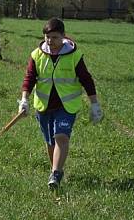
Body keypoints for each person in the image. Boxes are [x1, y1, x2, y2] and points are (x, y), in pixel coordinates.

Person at [18, 17, 103, 189]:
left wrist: (94, 104)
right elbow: (29, 78)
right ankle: (56, 171)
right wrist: (24, 100)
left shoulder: (74, 55)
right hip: (43, 106)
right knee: (50, 142)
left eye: (55, 37)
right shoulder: (37, 55)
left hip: (66, 107)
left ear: (63, 36)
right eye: (47, 37)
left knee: (61, 137)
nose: (50, 41)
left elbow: (86, 80)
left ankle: (55, 174)